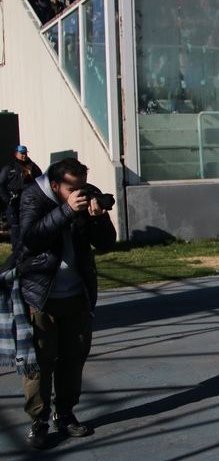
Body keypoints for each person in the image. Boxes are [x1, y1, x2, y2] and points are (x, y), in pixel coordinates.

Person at [16, 158, 116, 448]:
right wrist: (66, 210)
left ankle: (66, 413)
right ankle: (39, 420)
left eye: (83, 185)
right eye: (74, 187)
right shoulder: (32, 196)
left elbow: (107, 243)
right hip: (41, 295)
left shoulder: (86, 194)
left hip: (76, 294)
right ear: (56, 185)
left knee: (73, 358)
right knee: (40, 362)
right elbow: (31, 239)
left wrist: (97, 217)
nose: (81, 192)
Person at [0, 146, 42, 259]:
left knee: (29, 224)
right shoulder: (9, 167)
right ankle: (16, 251)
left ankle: (29, 248)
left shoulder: (32, 166)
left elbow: (41, 181)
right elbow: (1, 185)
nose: (24, 155)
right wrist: (8, 199)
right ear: (16, 154)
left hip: (28, 201)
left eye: (25, 153)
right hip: (14, 201)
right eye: (21, 153)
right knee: (16, 226)